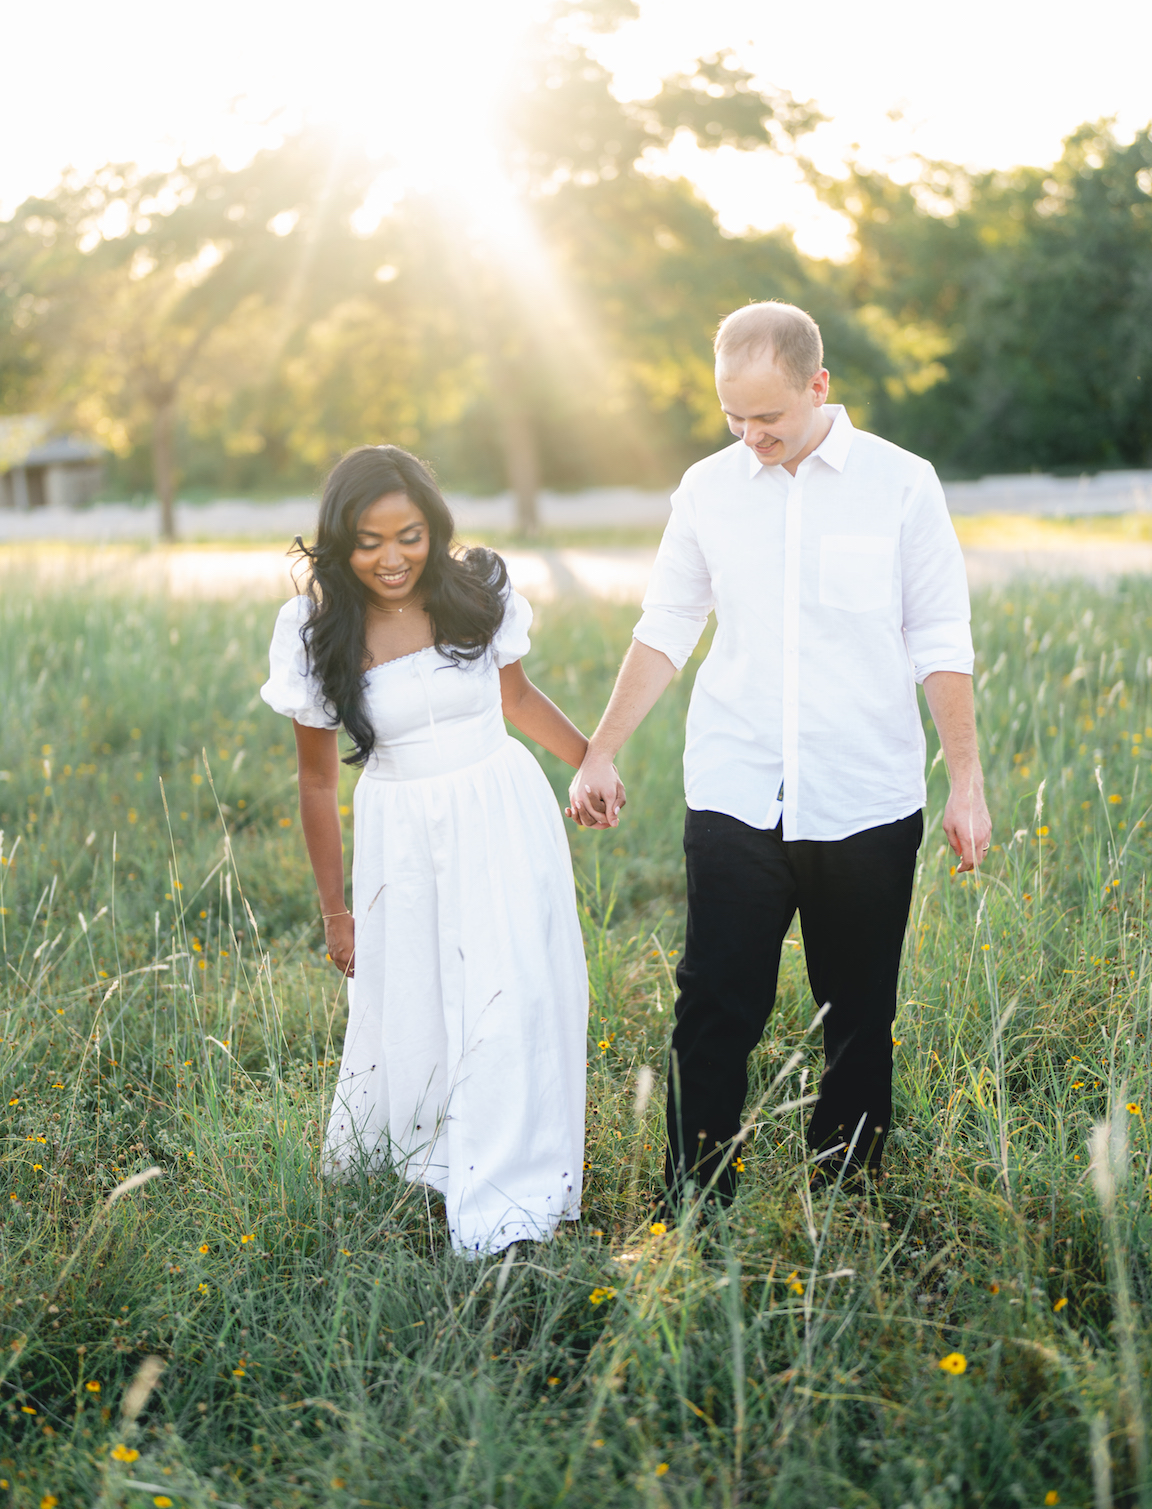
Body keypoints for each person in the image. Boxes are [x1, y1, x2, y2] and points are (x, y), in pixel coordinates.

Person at [569, 301, 991, 1205]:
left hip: (866, 794)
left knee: (858, 1014)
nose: (751, 435)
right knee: (714, 1007)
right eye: (733, 417)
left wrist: (967, 782)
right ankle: (694, 1208)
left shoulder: (902, 483)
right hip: (736, 789)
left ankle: (842, 1201)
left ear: (818, 386)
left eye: (770, 417)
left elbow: (940, 635)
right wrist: (601, 750)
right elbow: (668, 624)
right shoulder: (707, 489)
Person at [262, 445, 600, 1254]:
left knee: (513, 986)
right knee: (415, 992)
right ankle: (432, 1158)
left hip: (501, 808)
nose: (391, 558)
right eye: (369, 541)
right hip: (398, 829)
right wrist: (336, 909)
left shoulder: (476, 586)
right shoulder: (312, 628)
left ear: (433, 528)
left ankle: (516, 1175)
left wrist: (592, 759)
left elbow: (515, 697)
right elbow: (315, 786)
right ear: (340, 541)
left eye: (409, 536)